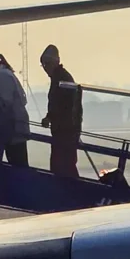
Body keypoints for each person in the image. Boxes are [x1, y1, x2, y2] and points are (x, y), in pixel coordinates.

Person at [39, 45, 83, 177]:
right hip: (62, 130)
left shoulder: (63, 79)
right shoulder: (58, 78)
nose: (45, 67)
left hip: (66, 131)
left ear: (56, 62)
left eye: (47, 63)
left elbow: (67, 106)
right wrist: (49, 117)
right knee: (62, 164)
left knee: (64, 165)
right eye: (43, 64)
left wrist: (52, 118)